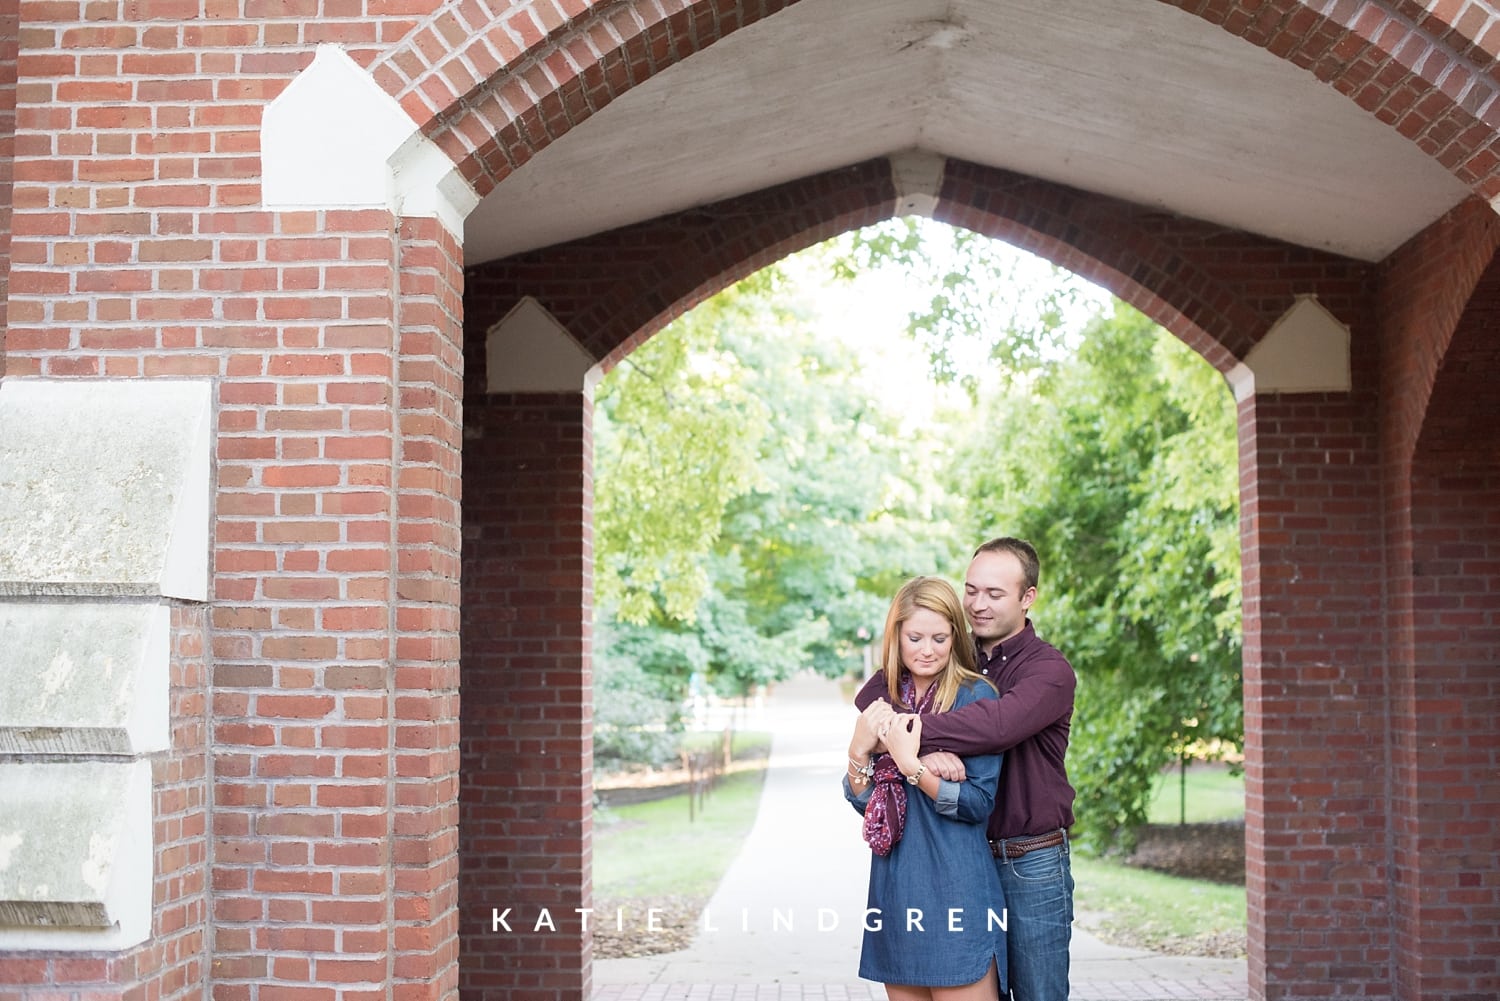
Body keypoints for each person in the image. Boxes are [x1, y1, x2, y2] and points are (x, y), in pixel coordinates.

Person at [856, 539, 1076, 1001]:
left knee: (1039, 995)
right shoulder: (950, 650)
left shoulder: (1048, 670)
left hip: (1028, 859)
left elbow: (996, 727)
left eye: (994, 594)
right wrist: (898, 745)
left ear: (1027, 597)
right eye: (971, 590)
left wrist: (905, 741)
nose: (978, 604)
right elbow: (872, 699)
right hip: (957, 857)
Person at [843, 576, 1007, 1001]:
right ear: (896, 635)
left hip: (957, 886)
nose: (927, 649)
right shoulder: (882, 702)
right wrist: (859, 751)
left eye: (940, 637)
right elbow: (867, 802)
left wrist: (913, 767)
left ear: (956, 635)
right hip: (896, 887)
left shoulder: (976, 697)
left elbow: (977, 803)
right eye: (915, 637)